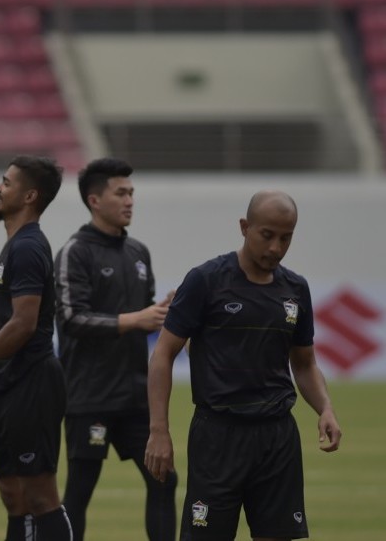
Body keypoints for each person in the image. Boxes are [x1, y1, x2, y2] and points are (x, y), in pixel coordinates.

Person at [144, 190, 341, 541]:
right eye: (267, 235)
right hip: (218, 436)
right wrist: (159, 430)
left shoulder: (296, 289)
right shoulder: (206, 280)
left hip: (277, 437)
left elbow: (305, 363)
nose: (276, 248)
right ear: (244, 227)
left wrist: (324, 407)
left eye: (286, 237)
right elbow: (162, 355)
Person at [54, 157, 177, 541]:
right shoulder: (75, 251)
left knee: (164, 479)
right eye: (120, 193)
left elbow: (147, 313)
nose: (129, 201)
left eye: (132, 193)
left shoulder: (138, 252)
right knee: (79, 491)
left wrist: (165, 311)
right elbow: (71, 319)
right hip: (88, 397)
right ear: (94, 200)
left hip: (135, 397)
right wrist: (133, 320)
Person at [0, 155, 73, 541]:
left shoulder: (27, 247)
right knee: (14, 496)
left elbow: (25, 323)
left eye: (6, 182)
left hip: (31, 383)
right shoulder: (16, 246)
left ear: (28, 195)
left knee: (41, 496)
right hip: (5, 383)